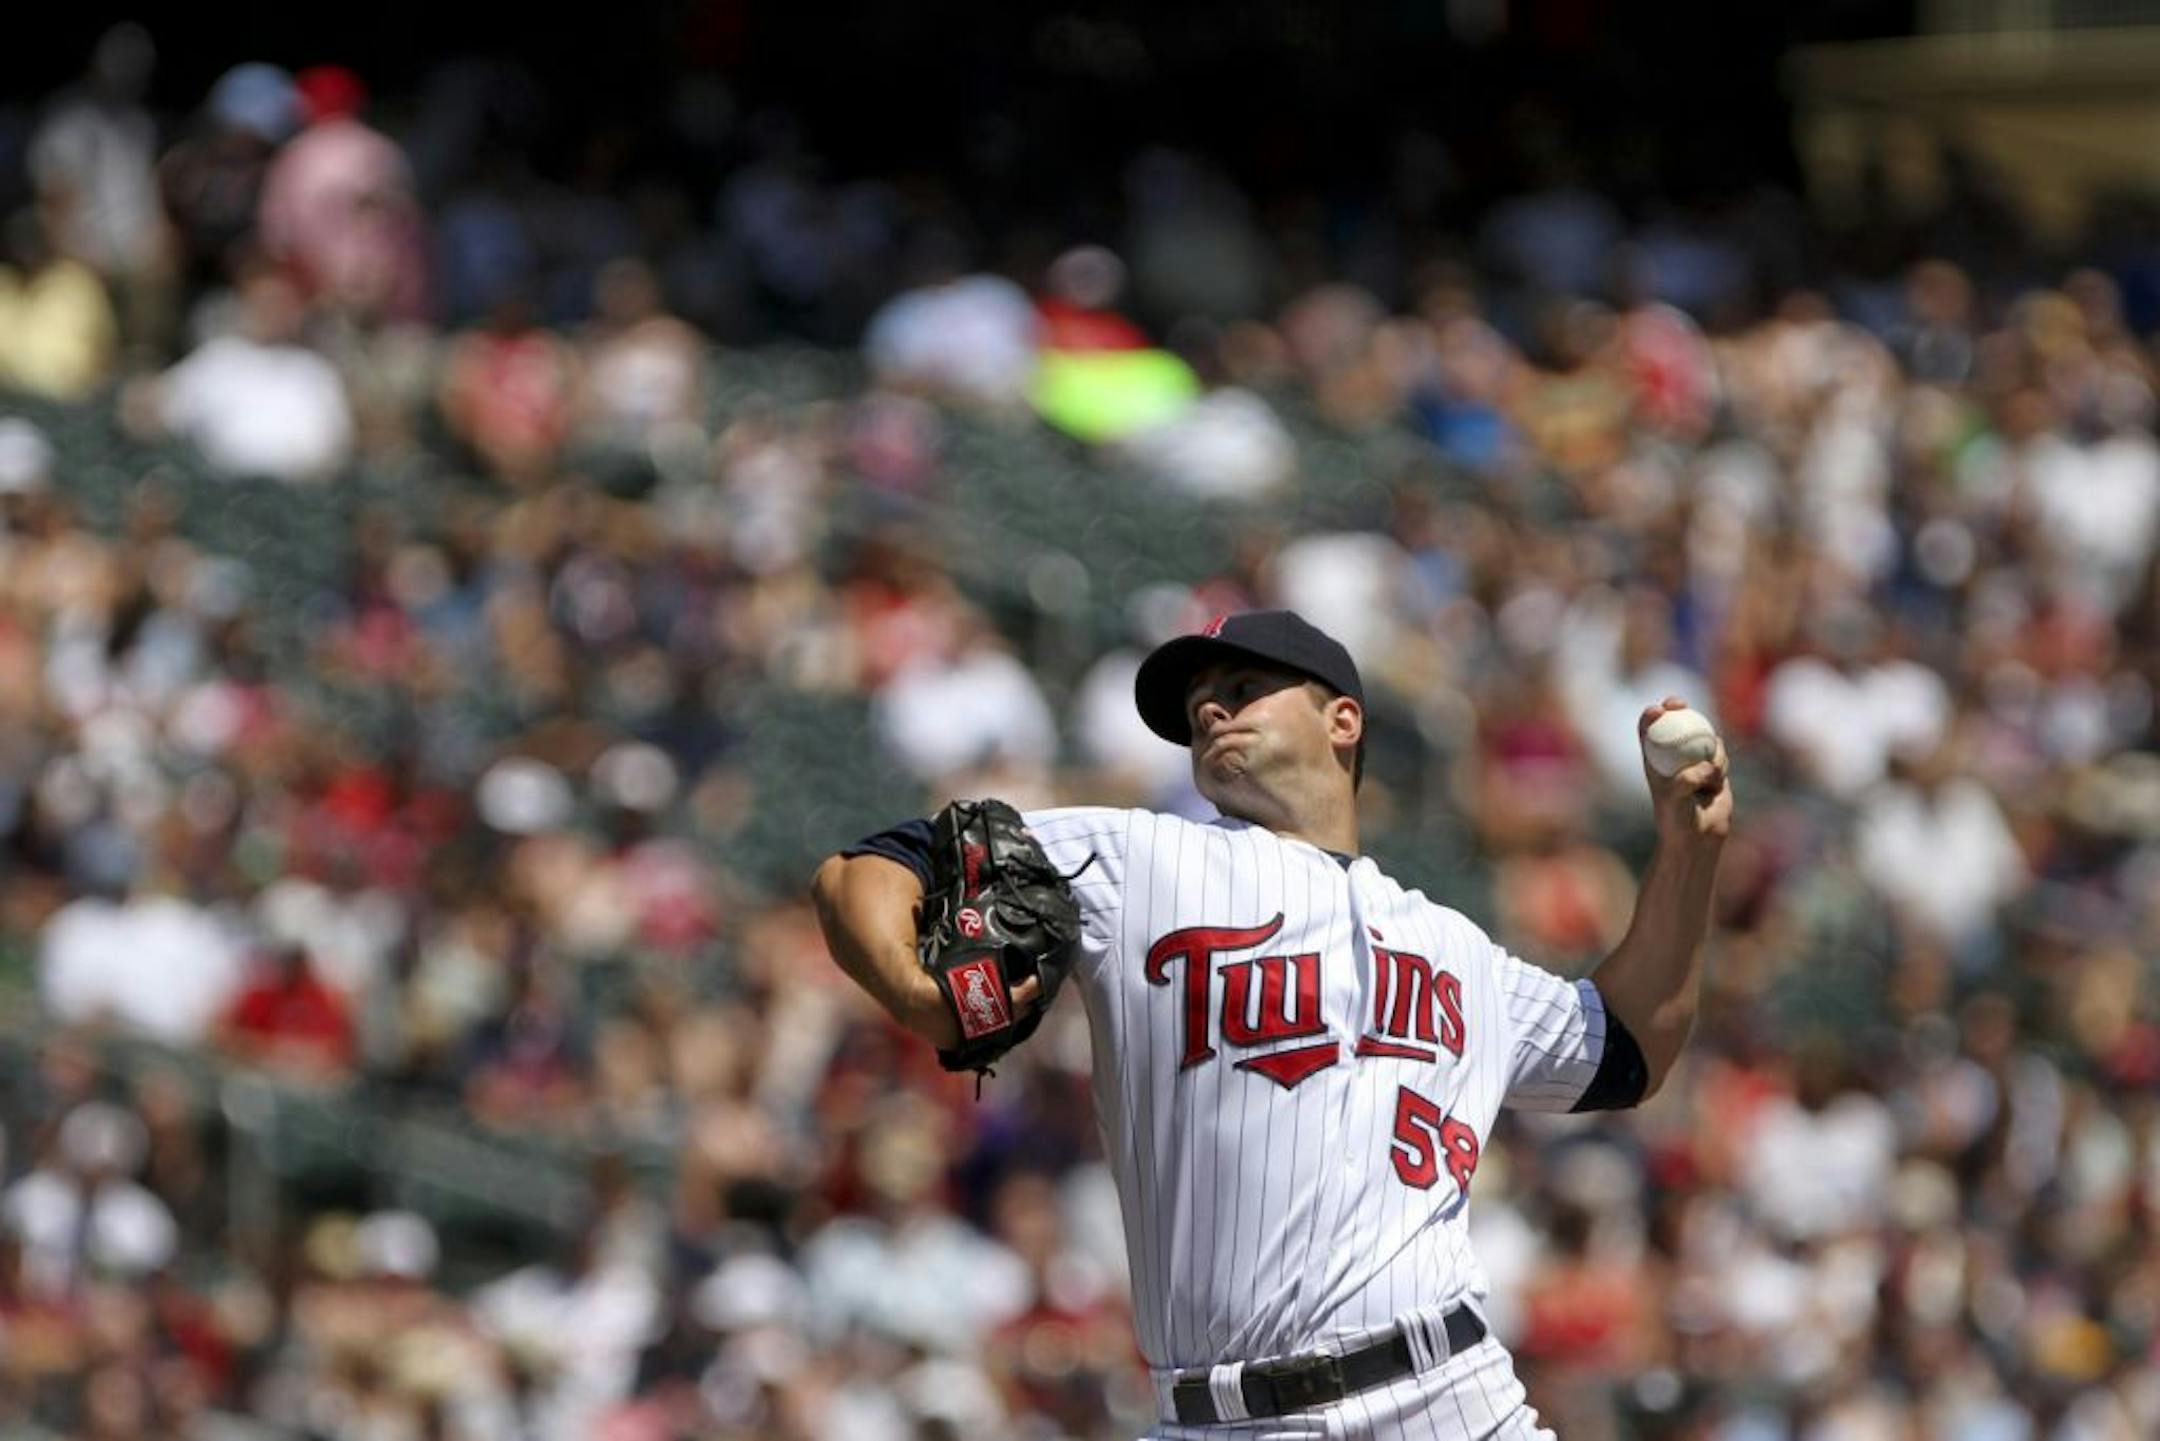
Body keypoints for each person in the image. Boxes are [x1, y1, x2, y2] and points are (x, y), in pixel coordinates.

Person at [812, 608, 1731, 1437]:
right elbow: (872, 867)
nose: (1211, 711)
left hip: (1446, 1398)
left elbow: (1630, 1045)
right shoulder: (1141, 859)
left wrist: (1689, 855)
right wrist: (920, 993)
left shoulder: (1457, 949)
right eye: (1199, 705)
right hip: (1216, 1418)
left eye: (1244, 689)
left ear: (1344, 720)